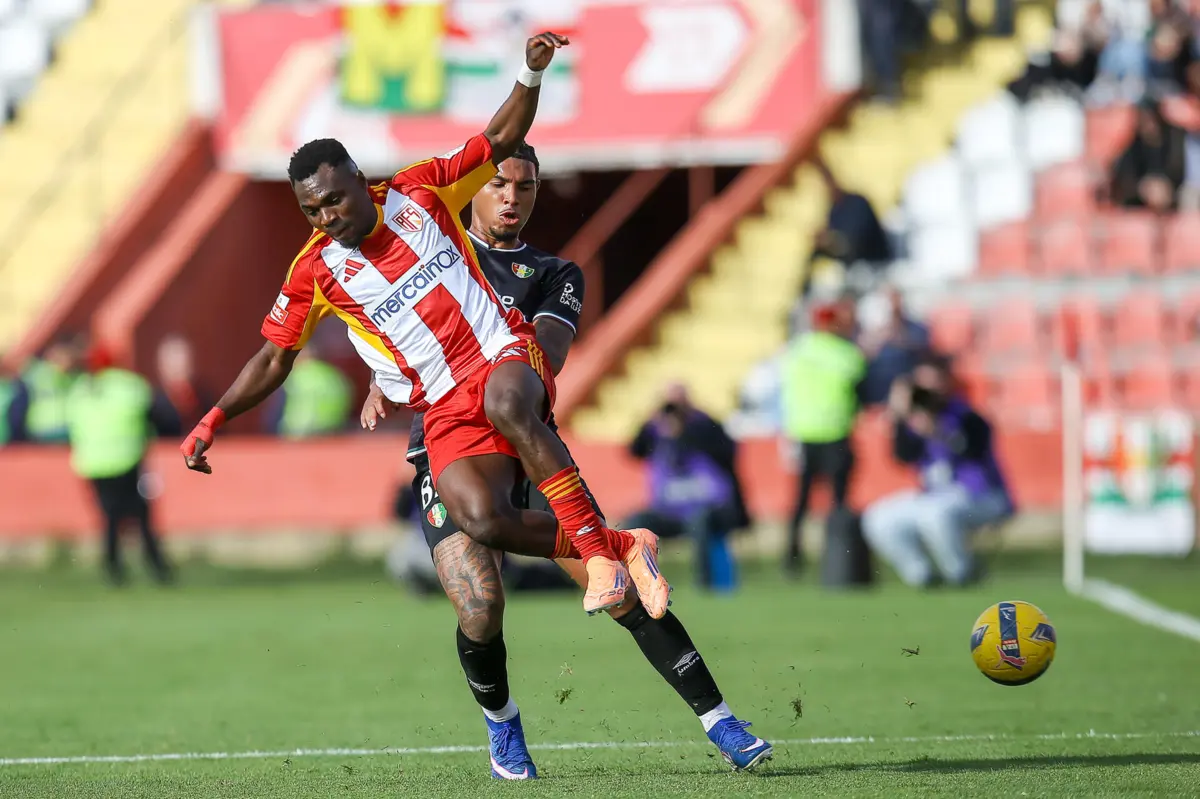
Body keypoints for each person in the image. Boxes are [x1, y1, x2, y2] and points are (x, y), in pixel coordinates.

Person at [179, 34, 670, 640]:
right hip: (439, 406)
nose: (328, 218)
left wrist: (530, 72)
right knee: (481, 523)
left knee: (509, 402)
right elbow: (274, 356)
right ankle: (621, 544)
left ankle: (600, 562)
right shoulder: (315, 272)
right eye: (313, 211)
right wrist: (215, 417)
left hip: (499, 354)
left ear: (361, 181)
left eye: (334, 200)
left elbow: (498, 141)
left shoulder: (420, 191)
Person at [359, 144, 772, 777]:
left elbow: (544, 358)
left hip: (528, 447)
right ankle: (503, 727)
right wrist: (381, 379)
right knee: (479, 605)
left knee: (622, 594)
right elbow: (386, 333)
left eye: (524, 187)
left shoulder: (555, 274)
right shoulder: (422, 251)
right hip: (448, 451)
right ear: (470, 187)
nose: (510, 197)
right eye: (497, 183)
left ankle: (722, 722)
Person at [862, 355, 1014, 588]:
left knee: (936, 513)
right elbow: (903, 457)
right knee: (878, 517)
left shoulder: (967, 416)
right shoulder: (914, 420)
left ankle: (961, 572)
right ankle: (920, 574)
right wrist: (900, 419)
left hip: (982, 496)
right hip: (935, 496)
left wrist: (938, 431)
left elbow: (972, 450)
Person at [66, 341, 178, 584]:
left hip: (92, 464)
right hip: (127, 460)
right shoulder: (131, 386)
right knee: (142, 515)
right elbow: (162, 417)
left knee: (110, 518)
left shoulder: (80, 389)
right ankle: (158, 568)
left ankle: (113, 569)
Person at [625, 384, 750, 591]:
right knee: (636, 523)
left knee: (701, 523)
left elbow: (728, 450)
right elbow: (634, 450)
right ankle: (637, 586)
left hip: (708, 510)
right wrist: (652, 419)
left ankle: (705, 585)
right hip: (670, 512)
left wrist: (687, 427)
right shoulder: (656, 434)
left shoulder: (705, 429)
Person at [781, 299, 866, 575]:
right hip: (835, 433)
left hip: (802, 433)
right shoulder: (847, 353)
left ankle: (792, 560)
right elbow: (860, 384)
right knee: (839, 503)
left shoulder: (797, 349)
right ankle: (839, 559)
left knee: (801, 502)